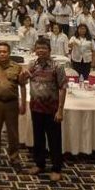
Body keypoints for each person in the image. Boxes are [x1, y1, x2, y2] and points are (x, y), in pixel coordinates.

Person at [25, 38, 67, 182]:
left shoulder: (57, 66)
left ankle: (56, 168)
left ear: (49, 50)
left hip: (52, 109)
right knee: (38, 138)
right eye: (38, 48)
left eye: (44, 48)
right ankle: (40, 164)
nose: (41, 50)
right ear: (35, 50)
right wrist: (24, 73)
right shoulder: (32, 65)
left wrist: (60, 110)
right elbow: (22, 80)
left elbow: (62, 88)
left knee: (54, 139)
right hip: (36, 108)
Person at [0, 42, 26, 171]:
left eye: (5, 52)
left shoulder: (17, 67)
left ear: (9, 53)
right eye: (0, 52)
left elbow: (23, 86)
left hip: (12, 103)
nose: (2, 54)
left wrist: (23, 103)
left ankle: (14, 158)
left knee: (13, 132)